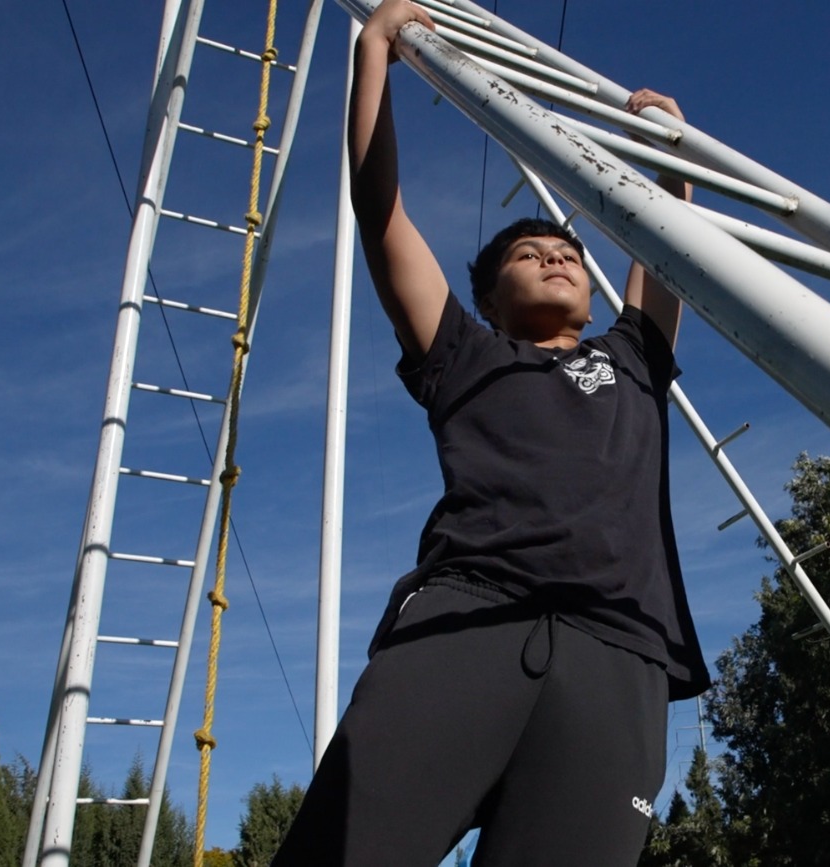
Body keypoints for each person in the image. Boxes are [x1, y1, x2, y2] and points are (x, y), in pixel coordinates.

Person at [272, 2, 708, 864]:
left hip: (619, 657)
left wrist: (672, 152)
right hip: (466, 622)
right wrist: (372, 58)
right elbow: (379, 212)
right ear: (488, 296)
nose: (556, 257)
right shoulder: (463, 354)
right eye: (527, 254)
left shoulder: (632, 357)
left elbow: (671, 244)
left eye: (571, 256)